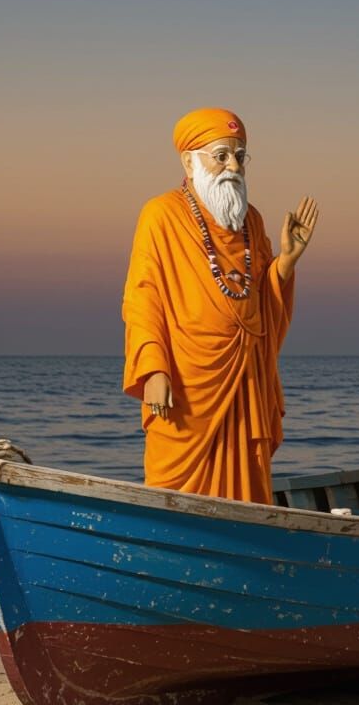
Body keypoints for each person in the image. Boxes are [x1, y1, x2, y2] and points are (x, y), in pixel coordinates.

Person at [122, 107, 318, 503]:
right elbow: (143, 296)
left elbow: (260, 297)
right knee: (171, 487)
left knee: (246, 484)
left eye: (240, 156)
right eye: (222, 155)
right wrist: (152, 369)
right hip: (184, 383)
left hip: (245, 377)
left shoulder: (253, 221)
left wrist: (286, 262)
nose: (233, 166)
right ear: (189, 161)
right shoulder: (160, 214)